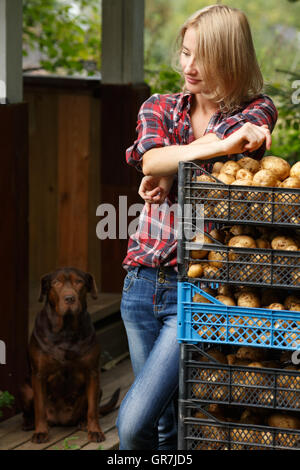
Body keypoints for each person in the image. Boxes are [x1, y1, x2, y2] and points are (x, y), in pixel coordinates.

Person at [116, 4, 278, 450]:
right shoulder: (160, 106)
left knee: (132, 425)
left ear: (230, 58)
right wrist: (210, 148)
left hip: (197, 287)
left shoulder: (257, 109)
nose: (189, 66)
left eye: (202, 57)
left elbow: (210, 161)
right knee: (167, 425)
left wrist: (179, 159)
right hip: (140, 283)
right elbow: (149, 159)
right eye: (185, 53)